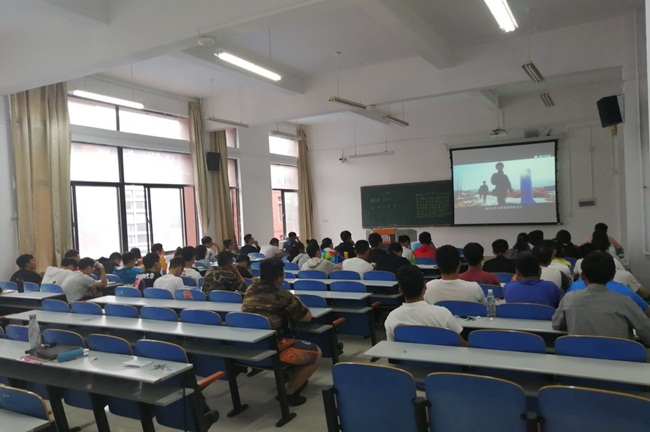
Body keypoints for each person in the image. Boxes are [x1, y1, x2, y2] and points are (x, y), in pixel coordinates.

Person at [242, 258, 322, 406]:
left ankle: (292, 378)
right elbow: (307, 317)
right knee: (316, 353)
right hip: (273, 350)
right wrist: (298, 300)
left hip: (248, 346)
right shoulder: (283, 296)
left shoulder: (250, 289)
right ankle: (288, 393)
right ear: (279, 278)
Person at [552, 251, 650, 344]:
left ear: (583, 276)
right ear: (613, 276)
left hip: (579, 353)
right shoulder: (625, 301)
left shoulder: (569, 298)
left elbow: (556, 324)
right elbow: (647, 332)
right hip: (618, 355)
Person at [385, 265, 465, 343]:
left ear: (400, 291)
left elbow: (392, 347)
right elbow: (460, 344)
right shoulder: (442, 313)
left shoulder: (392, 317)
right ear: (425, 287)